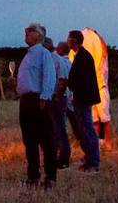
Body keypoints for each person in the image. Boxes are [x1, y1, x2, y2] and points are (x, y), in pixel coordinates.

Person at [17, 23, 57, 189]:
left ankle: (50, 177)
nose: (26, 32)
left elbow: (49, 76)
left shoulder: (43, 54)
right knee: (29, 140)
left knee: (46, 141)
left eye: (31, 30)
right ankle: (33, 176)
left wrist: (45, 98)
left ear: (39, 35)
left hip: (38, 100)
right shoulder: (28, 55)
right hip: (26, 101)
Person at [66, 31, 100, 171]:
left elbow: (81, 79)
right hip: (81, 97)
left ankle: (93, 161)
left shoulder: (83, 57)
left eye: (68, 39)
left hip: (83, 98)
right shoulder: (80, 56)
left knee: (87, 128)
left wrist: (69, 84)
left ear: (73, 40)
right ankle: (89, 157)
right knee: (83, 128)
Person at [50, 41, 72, 169]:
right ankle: (58, 155)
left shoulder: (59, 61)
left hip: (60, 98)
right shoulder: (68, 62)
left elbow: (63, 81)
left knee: (59, 128)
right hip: (65, 97)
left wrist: (57, 97)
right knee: (59, 127)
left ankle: (63, 158)